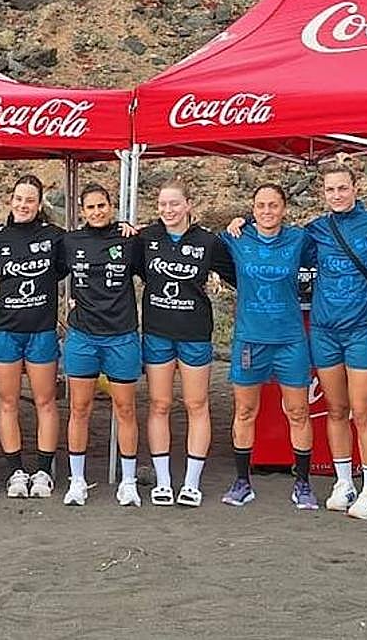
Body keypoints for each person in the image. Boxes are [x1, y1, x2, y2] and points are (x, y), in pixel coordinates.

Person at [227, 161, 367, 518]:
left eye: (343, 188)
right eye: (330, 190)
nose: (337, 195)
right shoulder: (315, 231)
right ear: (322, 194)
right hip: (324, 331)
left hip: (363, 330)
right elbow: (274, 236)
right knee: (336, 411)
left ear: (356, 188)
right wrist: (241, 224)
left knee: (362, 411)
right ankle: (344, 482)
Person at [135, 178, 234, 508]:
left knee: (196, 404)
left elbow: (238, 271)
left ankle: (191, 483)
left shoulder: (209, 242)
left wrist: (241, 227)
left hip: (194, 332)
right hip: (157, 331)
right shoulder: (147, 237)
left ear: (189, 204)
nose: (168, 210)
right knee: (159, 404)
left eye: (174, 204)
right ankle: (163, 481)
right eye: (162, 204)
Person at [219, 183, 318, 511]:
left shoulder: (298, 239)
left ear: (284, 208)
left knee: (298, 412)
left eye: (273, 205)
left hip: (290, 339)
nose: (267, 211)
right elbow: (196, 241)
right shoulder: (237, 237)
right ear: (252, 208)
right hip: (250, 339)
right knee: (246, 411)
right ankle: (242, 482)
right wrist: (236, 221)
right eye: (260, 205)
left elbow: (333, 249)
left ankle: (302, 483)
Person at [61, 184, 142, 508]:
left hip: (122, 336)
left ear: (112, 206)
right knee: (79, 409)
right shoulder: (70, 242)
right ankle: (77, 481)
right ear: (82, 211)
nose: (96, 212)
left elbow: (158, 253)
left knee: (125, 409)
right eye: (90, 207)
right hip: (82, 337)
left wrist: (138, 231)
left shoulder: (129, 240)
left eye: (101, 205)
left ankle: (129, 482)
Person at [0, 175, 67, 500]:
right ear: (11, 199)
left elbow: (85, 249)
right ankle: (15, 472)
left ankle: (43, 471)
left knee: (45, 401)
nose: (23, 205)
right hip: (5, 330)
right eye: (19, 198)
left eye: (30, 200)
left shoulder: (55, 238)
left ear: (39, 205)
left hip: (41, 330)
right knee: (7, 401)